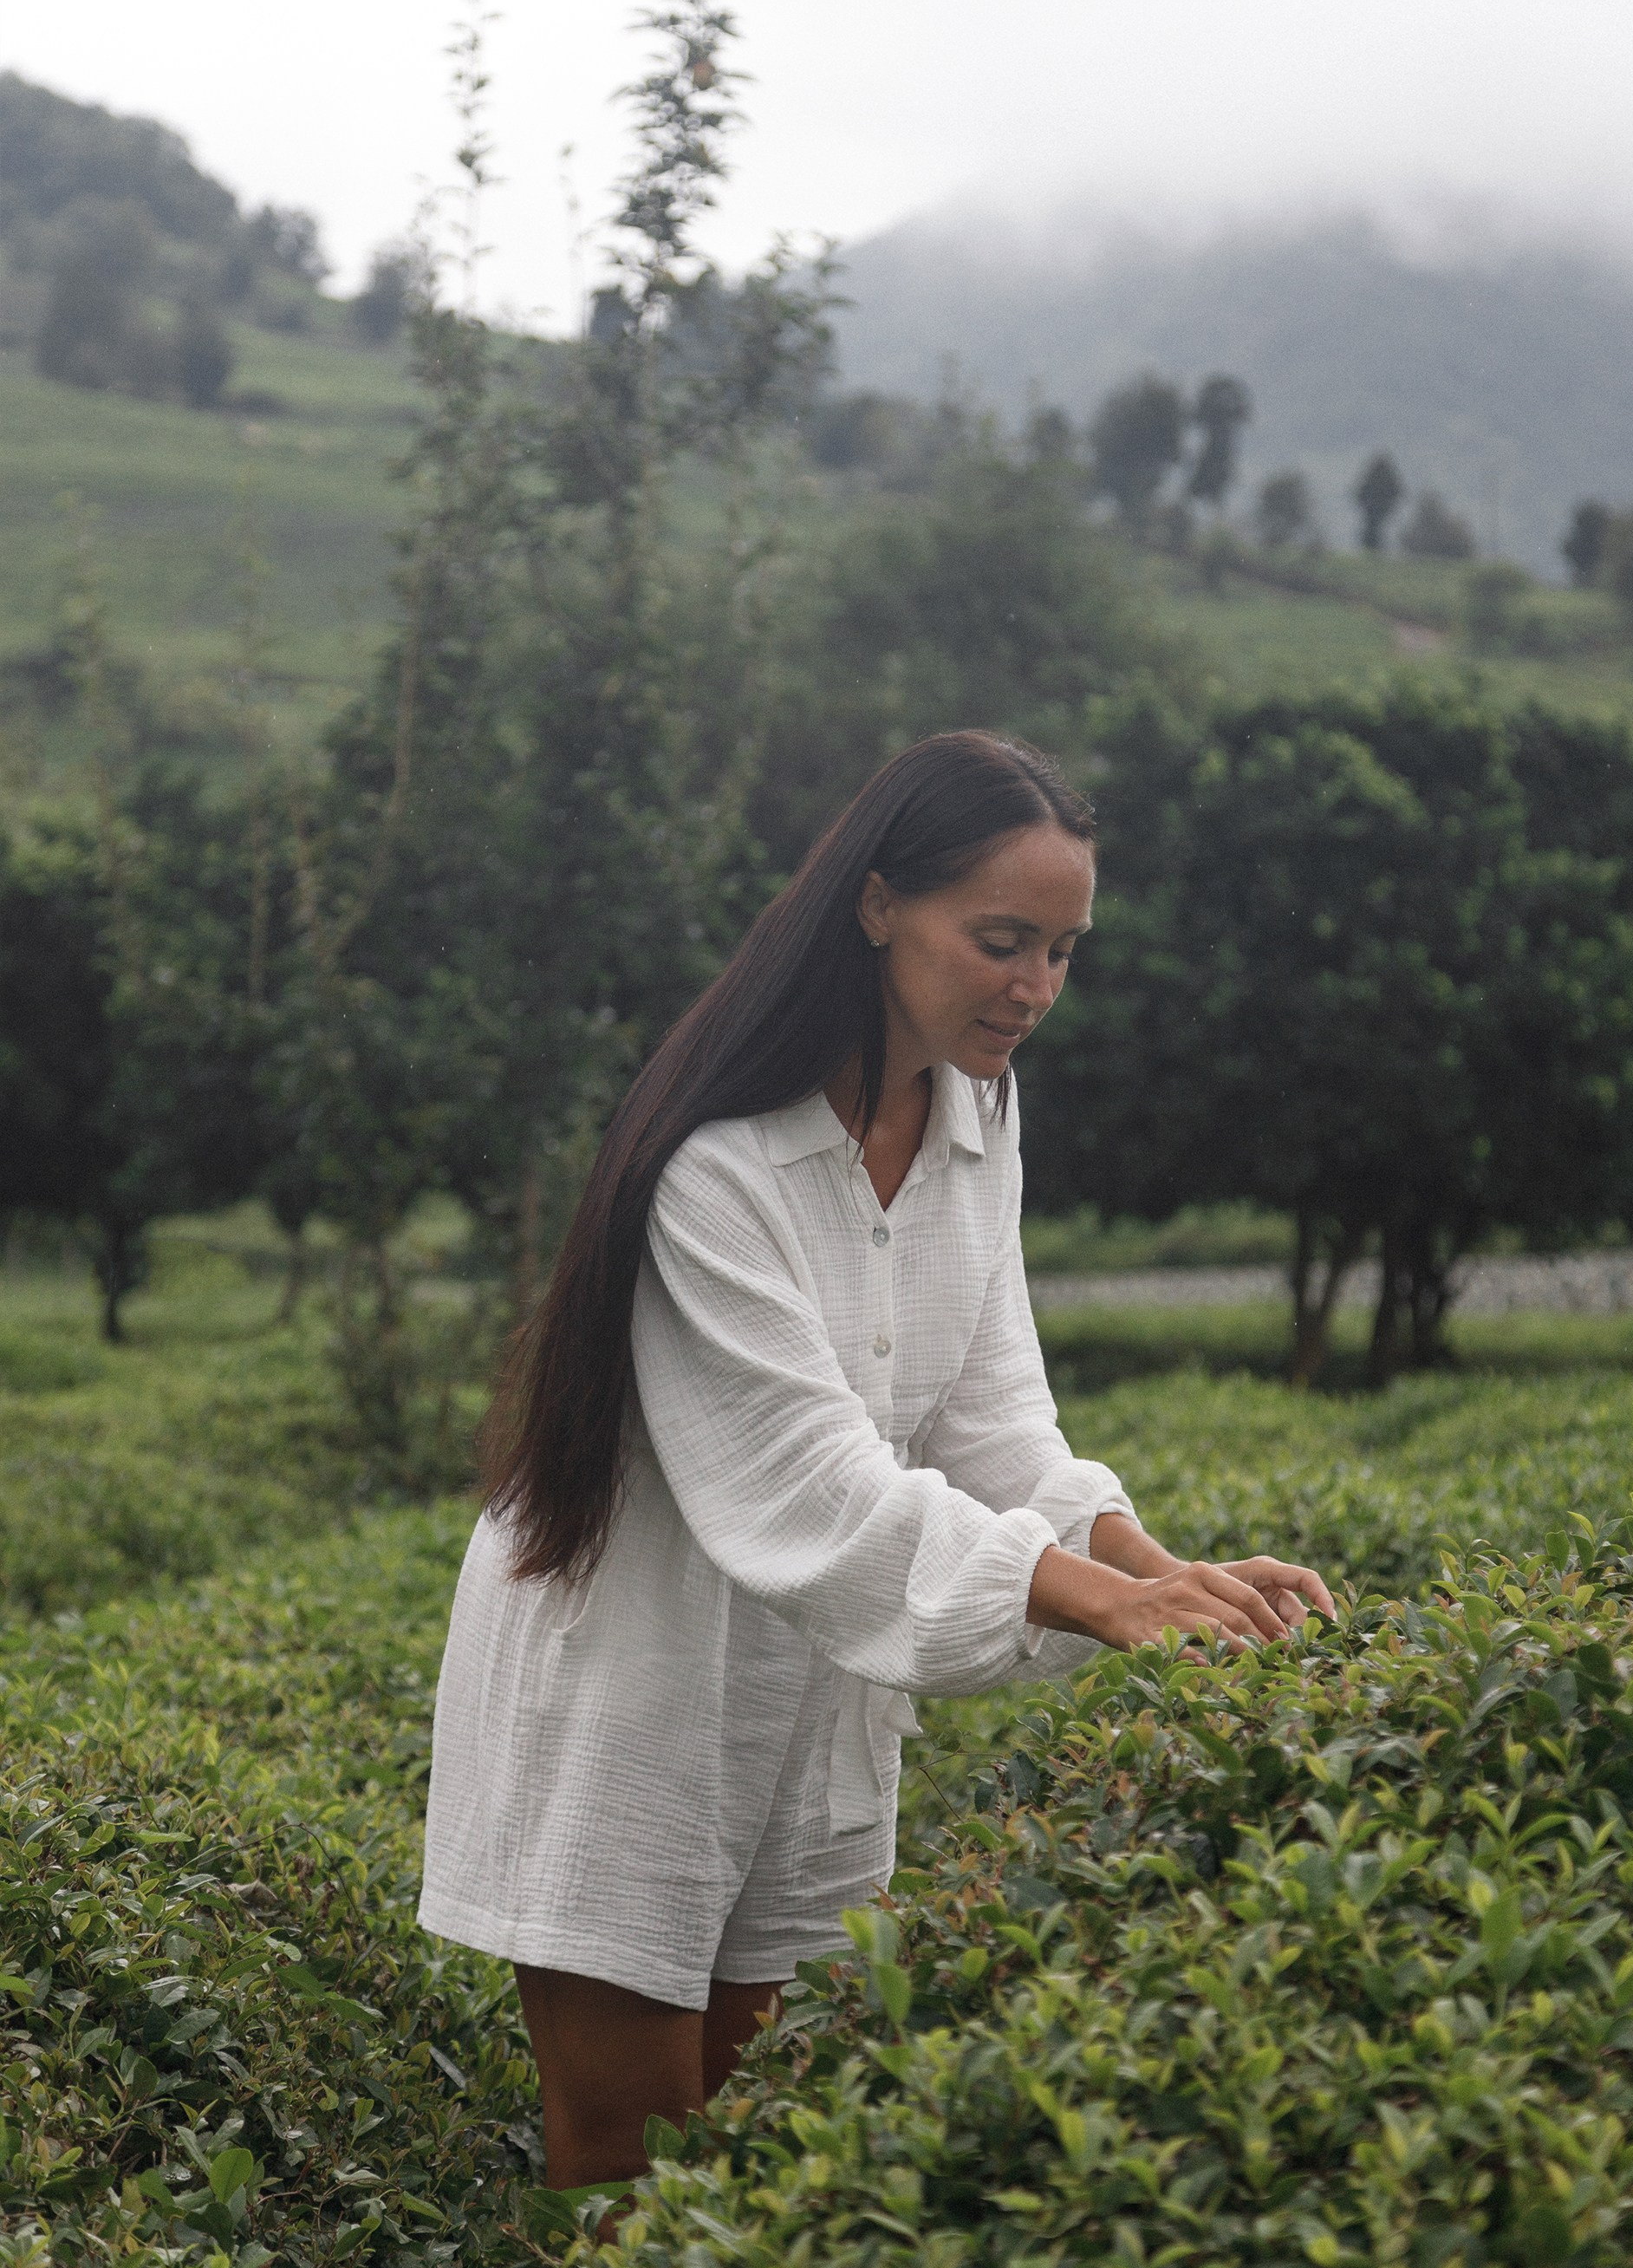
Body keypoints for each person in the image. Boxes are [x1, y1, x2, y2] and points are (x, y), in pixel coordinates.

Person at [419, 731, 1333, 2193]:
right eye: (1000, 941)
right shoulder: (717, 1164)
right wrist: (1105, 1606)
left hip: (807, 1688)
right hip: (634, 1676)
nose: (1033, 988)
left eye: (1063, 952)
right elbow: (815, 1485)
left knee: (763, 2129)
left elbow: (994, 1420)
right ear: (877, 905)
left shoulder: (979, 1115)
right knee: (633, 2152)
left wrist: (1168, 1577)